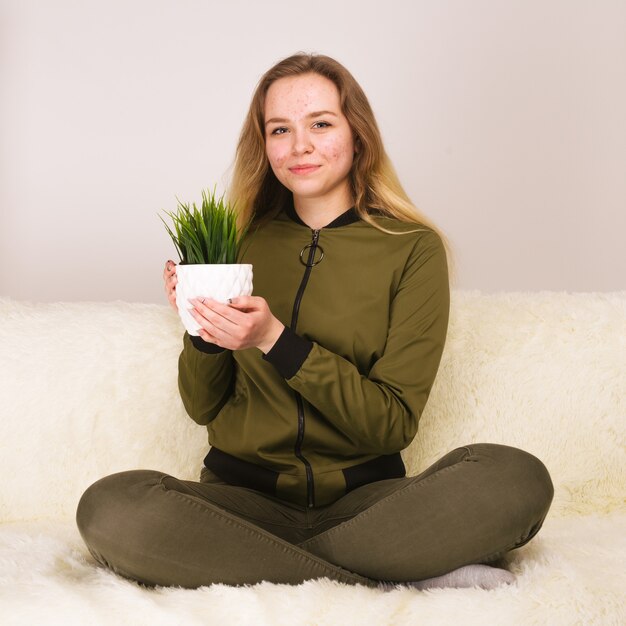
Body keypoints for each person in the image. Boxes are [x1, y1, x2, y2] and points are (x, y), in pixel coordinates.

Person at [75, 52, 554, 591]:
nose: (299, 146)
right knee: (108, 507)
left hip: (370, 506)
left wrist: (275, 340)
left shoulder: (412, 249)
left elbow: (391, 424)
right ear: (265, 145)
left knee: (516, 478)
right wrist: (201, 326)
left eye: (320, 124)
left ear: (358, 136)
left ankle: (274, 568)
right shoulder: (239, 241)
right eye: (280, 129)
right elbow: (203, 406)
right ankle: (395, 570)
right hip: (239, 505)